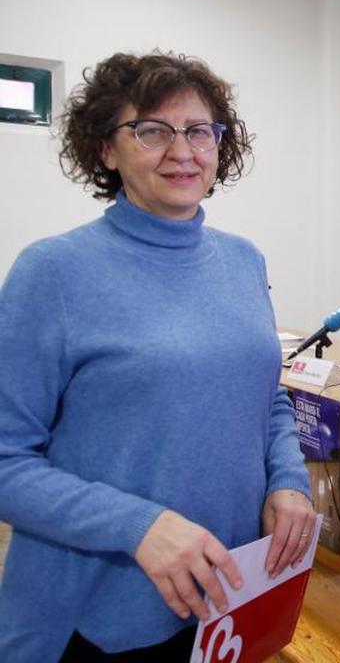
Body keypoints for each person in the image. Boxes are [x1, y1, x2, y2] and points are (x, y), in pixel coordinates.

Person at [0, 52, 316, 661]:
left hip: (227, 597)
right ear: (106, 150)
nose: (183, 150)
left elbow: (266, 396)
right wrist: (137, 526)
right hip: (98, 619)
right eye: (152, 130)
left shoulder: (243, 260)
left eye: (200, 131)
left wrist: (289, 480)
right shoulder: (53, 273)